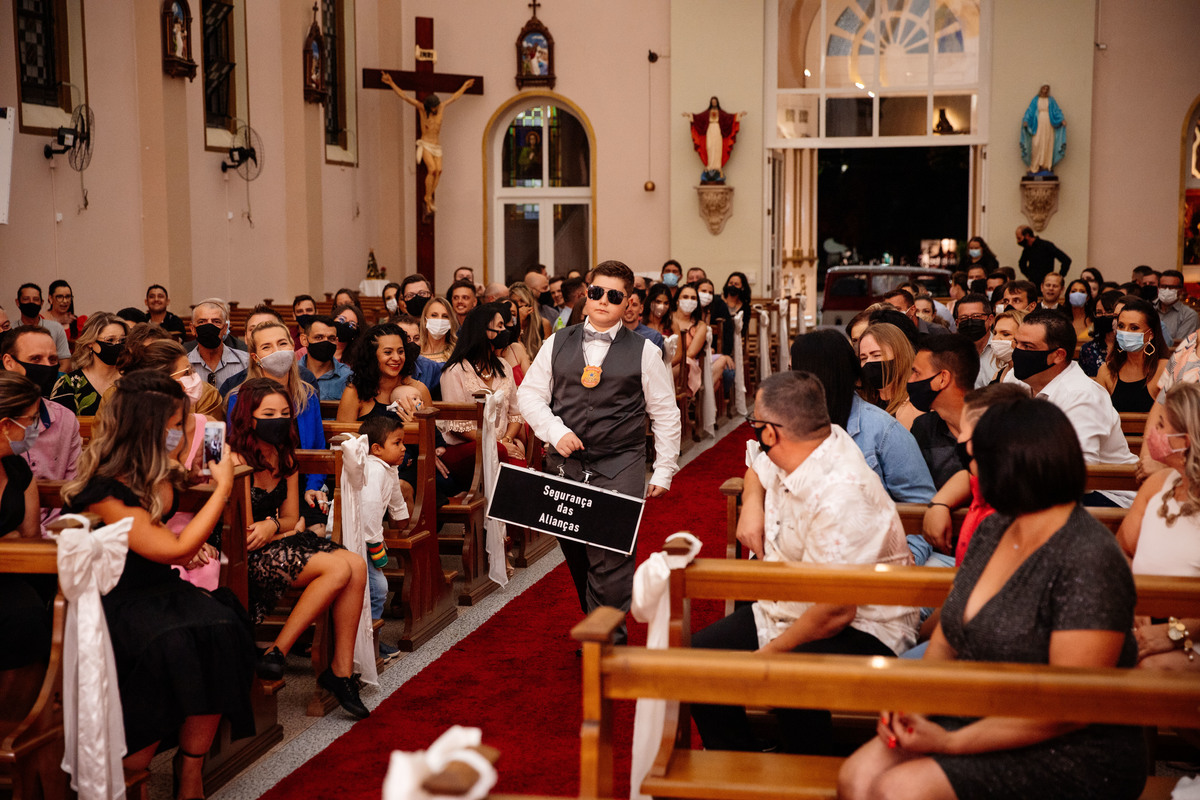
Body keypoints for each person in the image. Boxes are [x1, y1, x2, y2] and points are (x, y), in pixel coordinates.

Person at [839, 397, 1145, 800]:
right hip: (978, 710)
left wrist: (949, 742)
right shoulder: (996, 528)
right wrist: (914, 705)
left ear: (1015, 464)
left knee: (902, 789)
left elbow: (1071, 705)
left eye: (978, 458)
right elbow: (948, 639)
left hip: (1068, 744)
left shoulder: (1088, 558)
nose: (972, 470)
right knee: (857, 777)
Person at [61, 369, 257, 799]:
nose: (185, 432)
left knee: (222, 629)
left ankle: (190, 767)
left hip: (158, 587)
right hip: (116, 599)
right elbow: (173, 550)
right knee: (175, 645)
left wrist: (208, 469)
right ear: (149, 429)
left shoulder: (157, 467)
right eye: (177, 426)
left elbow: (174, 542)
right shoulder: (105, 490)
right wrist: (222, 488)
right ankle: (135, 769)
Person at [702, 371, 917, 753]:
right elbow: (758, 470)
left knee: (788, 675)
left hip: (867, 625)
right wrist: (751, 505)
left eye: (755, 424)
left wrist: (768, 655)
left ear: (770, 433)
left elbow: (836, 611)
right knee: (700, 655)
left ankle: (810, 766)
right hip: (791, 606)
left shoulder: (840, 493)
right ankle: (739, 760)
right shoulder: (810, 442)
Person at [517, 260, 681, 645]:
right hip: (565, 464)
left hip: (619, 463)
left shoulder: (645, 351)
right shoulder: (557, 342)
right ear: (585, 295)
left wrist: (663, 469)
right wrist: (555, 432)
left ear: (627, 303)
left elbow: (665, 413)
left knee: (611, 556)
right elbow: (529, 395)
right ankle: (597, 621)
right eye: (597, 292)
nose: (603, 301)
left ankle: (610, 639)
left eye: (614, 296)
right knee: (577, 551)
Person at [227, 378, 369, 719]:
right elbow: (246, 535)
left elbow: (290, 518)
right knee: (337, 568)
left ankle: (341, 671)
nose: (278, 419)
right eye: (269, 413)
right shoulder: (234, 458)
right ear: (249, 416)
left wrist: (274, 526)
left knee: (357, 566)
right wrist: (276, 528)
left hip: (276, 541)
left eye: (285, 413)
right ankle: (277, 652)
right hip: (241, 556)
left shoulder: (283, 454)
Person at [1008, 309, 1136, 507]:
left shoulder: (1082, 394)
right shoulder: (1016, 380)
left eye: (1028, 346)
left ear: (1058, 355)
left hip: (1106, 494)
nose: (1018, 352)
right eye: (1017, 343)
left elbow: (1080, 475)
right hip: (1043, 483)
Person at [1116, 381, 1200, 673]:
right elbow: (1123, 550)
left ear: (1186, 440)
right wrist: (1134, 605)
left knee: (1153, 666)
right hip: (1142, 621)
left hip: (1192, 637)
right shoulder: (1157, 484)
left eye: (1161, 425)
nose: (1153, 433)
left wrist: (1174, 633)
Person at [227, 320, 329, 524]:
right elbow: (237, 450)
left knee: (318, 526)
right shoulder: (238, 398)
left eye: (282, 343)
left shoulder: (307, 395)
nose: (277, 351)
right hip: (257, 489)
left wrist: (313, 486)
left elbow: (318, 447)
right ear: (255, 358)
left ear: (293, 346)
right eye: (267, 346)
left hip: (299, 482)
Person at [438, 302, 526, 493]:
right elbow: (456, 426)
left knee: (517, 460)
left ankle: (510, 521)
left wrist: (508, 439)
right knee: (504, 456)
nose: (506, 331)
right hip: (466, 448)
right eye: (500, 326)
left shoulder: (504, 367)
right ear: (482, 330)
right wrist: (495, 443)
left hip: (502, 444)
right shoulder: (455, 371)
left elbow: (515, 414)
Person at [0, 373, 52, 672]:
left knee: (32, 608)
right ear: (6, 425)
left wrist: (13, 540)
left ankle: (22, 711)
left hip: (12, 571)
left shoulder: (17, 468)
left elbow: (29, 537)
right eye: (31, 420)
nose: (35, 429)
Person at [353, 414, 410, 654]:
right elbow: (369, 511)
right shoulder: (373, 471)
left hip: (367, 536)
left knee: (374, 588)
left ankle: (368, 638)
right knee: (377, 588)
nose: (404, 448)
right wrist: (377, 547)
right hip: (359, 538)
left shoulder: (388, 468)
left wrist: (402, 520)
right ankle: (369, 641)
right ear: (376, 449)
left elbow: (395, 500)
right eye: (397, 443)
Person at [379, 72, 475, 214]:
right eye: (434, 106)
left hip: (437, 145)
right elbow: (405, 96)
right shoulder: (421, 109)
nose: (437, 108)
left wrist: (465, 86)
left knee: (440, 171)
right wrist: (391, 83)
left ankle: (428, 196)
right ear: (430, 106)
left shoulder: (441, 107)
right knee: (432, 170)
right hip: (426, 144)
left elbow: (454, 97)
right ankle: (428, 198)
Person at [1, 327, 80, 487]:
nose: (46, 367)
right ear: (9, 362)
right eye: (35, 359)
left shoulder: (65, 418)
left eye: (52, 360)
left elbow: (74, 485)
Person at [907, 335, 979, 491]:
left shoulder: (997, 426)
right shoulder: (923, 427)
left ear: (942, 378)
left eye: (917, 373)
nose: (911, 381)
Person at [1094, 297, 1167, 413]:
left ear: (1151, 334)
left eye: (1134, 328)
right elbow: (1098, 416)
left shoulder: (1165, 369)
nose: (1126, 332)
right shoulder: (1106, 371)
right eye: (1121, 326)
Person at [49, 313, 128, 415]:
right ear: (91, 343)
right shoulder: (68, 385)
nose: (117, 345)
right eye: (110, 340)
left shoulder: (134, 381)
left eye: (122, 340)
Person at [858, 322, 922, 431]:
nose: (869, 362)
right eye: (863, 358)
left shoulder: (914, 406)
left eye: (876, 355)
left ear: (899, 356)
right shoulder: (864, 400)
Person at [188, 298, 250, 388]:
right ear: (193, 329)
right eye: (202, 322)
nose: (209, 326)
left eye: (216, 322)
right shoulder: (183, 366)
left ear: (225, 328)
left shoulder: (245, 362)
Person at [14, 283, 71, 371]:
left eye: (35, 299)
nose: (31, 302)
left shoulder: (56, 328)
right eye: (26, 299)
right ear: (18, 302)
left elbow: (65, 362)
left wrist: (54, 381)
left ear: (42, 303)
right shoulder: (11, 329)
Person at [298, 315, 352, 402]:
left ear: (336, 341)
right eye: (319, 337)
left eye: (331, 338)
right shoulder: (290, 374)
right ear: (304, 340)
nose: (325, 342)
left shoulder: (348, 377)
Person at [1020, 83, 1067, 174]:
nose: (1045, 90)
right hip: (1038, 123)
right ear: (1041, 89)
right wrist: (1026, 120)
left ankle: (1046, 165)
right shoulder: (1035, 100)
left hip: (1048, 124)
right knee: (1036, 143)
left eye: (1047, 89)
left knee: (1047, 143)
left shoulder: (1051, 100)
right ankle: (1035, 165)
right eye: (1044, 88)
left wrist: (1061, 120)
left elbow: (1057, 111)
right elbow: (1030, 111)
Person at [671, 283, 709, 396]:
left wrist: (668, 364)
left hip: (684, 364)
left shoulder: (700, 325)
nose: (689, 300)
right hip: (662, 360)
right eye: (685, 297)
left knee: (684, 362)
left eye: (693, 298)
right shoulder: (667, 318)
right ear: (677, 300)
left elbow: (691, 353)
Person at [1079, 289, 1122, 378]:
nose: (1103, 316)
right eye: (1099, 312)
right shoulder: (1088, 349)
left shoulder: (1129, 347)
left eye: (1109, 311)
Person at [978, 308, 1025, 386]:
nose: (996, 338)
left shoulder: (1030, 377)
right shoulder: (999, 373)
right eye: (995, 333)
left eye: (1005, 334)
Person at [950, 294, 992, 380]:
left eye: (976, 316)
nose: (970, 322)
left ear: (990, 320)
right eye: (964, 318)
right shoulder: (951, 353)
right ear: (957, 323)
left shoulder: (1002, 350)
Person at [1156, 269, 1198, 345]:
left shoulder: (1189, 315)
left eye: (1172, 287)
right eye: (1163, 286)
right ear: (1158, 288)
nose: (1167, 290)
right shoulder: (1149, 310)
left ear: (1180, 290)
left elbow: (1181, 345)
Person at [883, 289, 950, 336]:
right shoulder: (888, 334)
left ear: (912, 309)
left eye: (897, 309)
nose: (892, 313)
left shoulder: (938, 332)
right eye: (889, 310)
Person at [508, 281, 548, 357]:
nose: (519, 305)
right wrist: (520, 321)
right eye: (515, 302)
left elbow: (548, 355)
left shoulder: (544, 323)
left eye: (522, 301)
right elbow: (515, 353)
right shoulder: (509, 325)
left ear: (530, 302)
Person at [622, 288, 665, 352]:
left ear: (641, 309)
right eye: (627, 305)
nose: (629, 309)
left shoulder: (653, 336)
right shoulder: (611, 334)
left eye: (634, 305)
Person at [418, 296, 457, 363]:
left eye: (445, 316)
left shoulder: (456, 353)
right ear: (425, 320)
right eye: (434, 315)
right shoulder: (416, 353)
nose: (440, 320)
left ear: (450, 321)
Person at [46, 279, 85, 344]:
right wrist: (57, 321)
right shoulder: (40, 320)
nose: (65, 301)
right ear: (50, 298)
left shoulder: (78, 321)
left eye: (68, 297)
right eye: (60, 297)